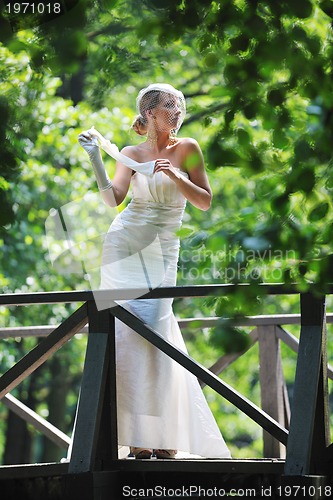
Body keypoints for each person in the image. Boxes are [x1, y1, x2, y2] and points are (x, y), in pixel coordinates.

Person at [78, 83, 231, 459]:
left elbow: (205, 201)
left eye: (179, 106)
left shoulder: (189, 149)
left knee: (156, 328)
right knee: (124, 337)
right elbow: (113, 200)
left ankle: (165, 435)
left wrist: (178, 177)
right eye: (169, 106)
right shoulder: (130, 153)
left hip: (163, 247)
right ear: (149, 113)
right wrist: (97, 158)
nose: (177, 112)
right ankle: (134, 439)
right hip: (124, 244)